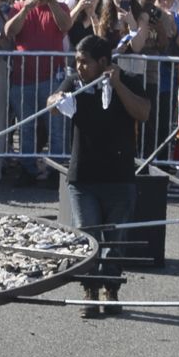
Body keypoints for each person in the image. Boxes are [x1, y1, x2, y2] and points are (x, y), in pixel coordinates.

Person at [58, 31, 151, 315]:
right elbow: (54, 99)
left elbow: (143, 112)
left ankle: (111, 289)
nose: (78, 67)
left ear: (103, 62)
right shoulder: (75, 83)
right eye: (76, 61)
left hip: (119, 177)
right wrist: (59, 98)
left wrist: (118, 85)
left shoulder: (130, 81)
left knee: (114, 241)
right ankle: (89, 290)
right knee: (88, 236)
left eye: (84, 62)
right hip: (83, 177)